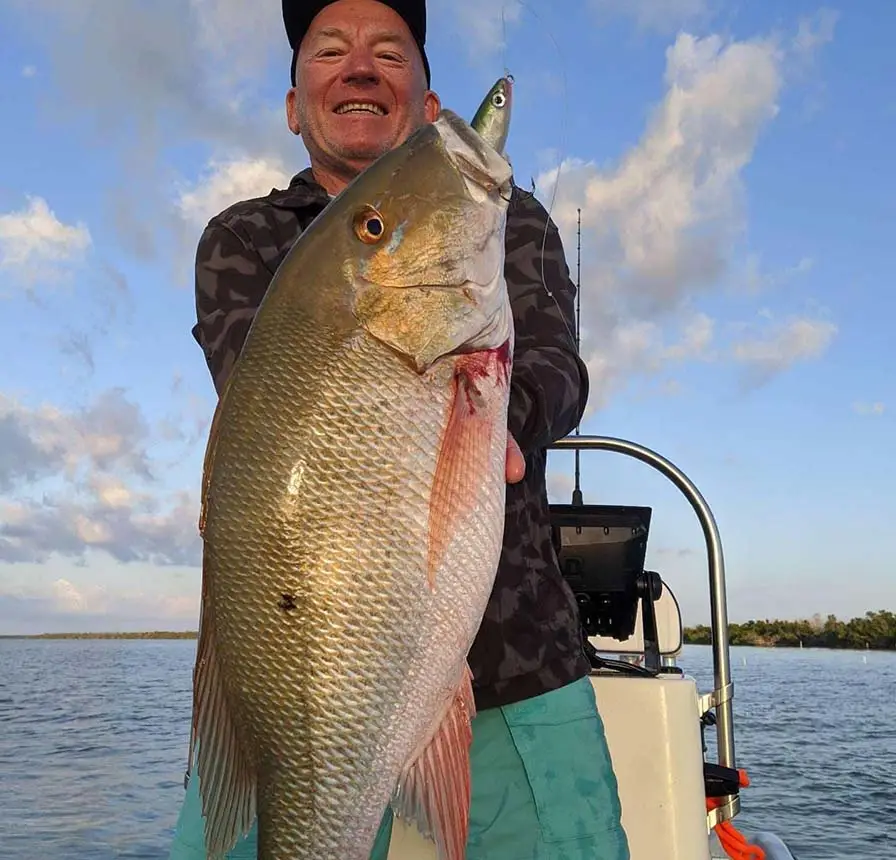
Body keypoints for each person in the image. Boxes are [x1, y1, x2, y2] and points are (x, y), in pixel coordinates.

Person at [168, 1, 630, 858]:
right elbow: (271, 395)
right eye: (329, 51)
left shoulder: (501, 213)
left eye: (390, 51)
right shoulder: (241, 236)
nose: (359, 66)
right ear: (293, 105)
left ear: (426, 105)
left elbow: (557, 369)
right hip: (298, 666)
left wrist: (499, 415)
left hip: (517, 659)